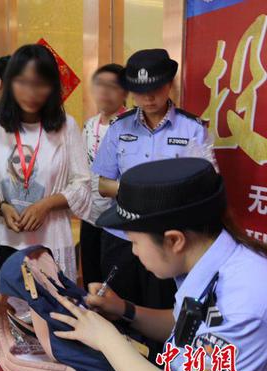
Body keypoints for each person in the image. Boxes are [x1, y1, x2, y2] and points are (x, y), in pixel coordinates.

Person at [51, 158, 267, 371]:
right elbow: (189, 328)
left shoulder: (241, 305)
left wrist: (107, 339)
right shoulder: (210, 261)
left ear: (174, 240)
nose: (134, 251)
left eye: (134, 241)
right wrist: (125, 310)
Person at [92, 49, 216, 328]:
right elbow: (102, 184)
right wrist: (146, 194)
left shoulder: (192, 129)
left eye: (156, 89)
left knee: (164, 311)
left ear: (169, 84)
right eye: (139, 91)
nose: (148, 98)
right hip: (122, 237)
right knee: (116, 312)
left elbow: (203, 187)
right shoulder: (119, 128)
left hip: (168, 242)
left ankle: (158, 358)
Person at [0, 44, 91, 299]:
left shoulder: (66, 127)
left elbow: (82, 185)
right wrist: (1, 207)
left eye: (40, 84)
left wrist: (46, 205)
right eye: (22, 82)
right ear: (9, 82)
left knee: (51, 312)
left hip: (49, 243)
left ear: (52, 87)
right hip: (0, 241)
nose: (31, 92)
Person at [80, 63, 128, 288]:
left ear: (125, 91)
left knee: (116, 283)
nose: (105, 91)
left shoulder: (130, 125)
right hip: (90, 216)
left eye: (113, 86)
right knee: (91, 279)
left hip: (120, 220)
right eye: (100, 84)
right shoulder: (89, 125)